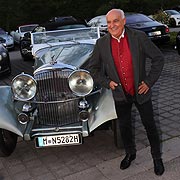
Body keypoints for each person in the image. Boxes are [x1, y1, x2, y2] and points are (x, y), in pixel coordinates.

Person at [88, 9, 165, 176]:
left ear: (123, 21)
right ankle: (130, 153)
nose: (112, 25)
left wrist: (149, 82)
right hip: (120, 94)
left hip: (140, 91)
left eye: (115, 21)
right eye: (108, 22)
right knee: (124, 127)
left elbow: (158, 58)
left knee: (150, 125)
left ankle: (157, 157)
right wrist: (107, 82)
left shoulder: (139, 37)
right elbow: (93, 69)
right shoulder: (101, 43)